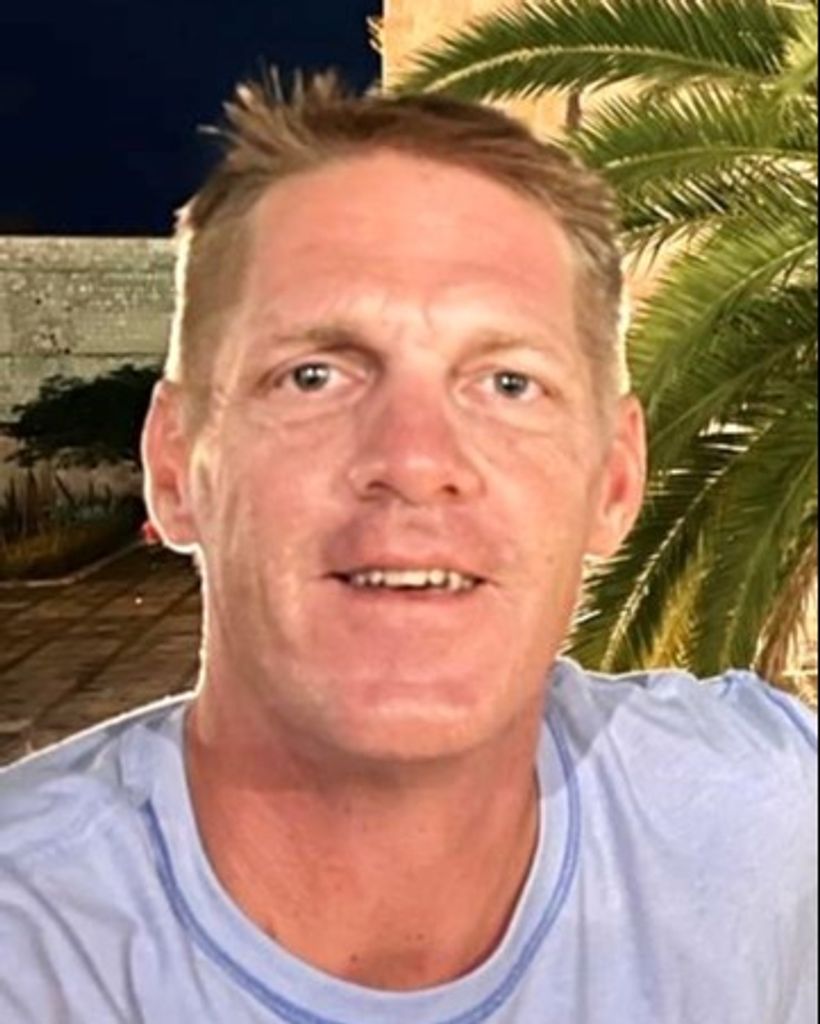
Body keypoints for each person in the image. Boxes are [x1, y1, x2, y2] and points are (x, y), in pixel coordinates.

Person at [0, 72, 816, 1024]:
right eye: (314, 375)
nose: (416, 461)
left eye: (508, 383)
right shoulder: (35, 947)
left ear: (615, 479)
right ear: (176, 467)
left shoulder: (767, 818)